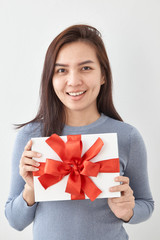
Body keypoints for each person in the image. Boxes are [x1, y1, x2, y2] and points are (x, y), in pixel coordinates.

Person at [5, 24, 154, 240]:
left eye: (86, 68)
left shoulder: (127, 136)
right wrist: (31, 189)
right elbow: (15, 221)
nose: (74, 81)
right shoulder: (30, 138)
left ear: (103, 75)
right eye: (61, 70)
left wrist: (128, 210)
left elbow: (146, 205)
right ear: (50, 78)